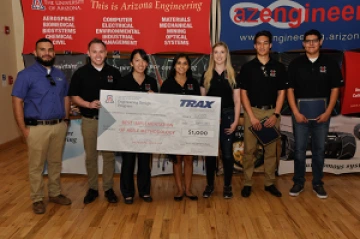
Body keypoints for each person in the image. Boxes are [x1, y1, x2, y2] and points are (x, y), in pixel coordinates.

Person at [12, 38, 72, 214]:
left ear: (54, 53)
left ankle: (54, 193)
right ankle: (37, 198)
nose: (47, 53)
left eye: (50, 49)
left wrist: (66, 120)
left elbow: (66, 97)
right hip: (36, 127)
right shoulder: (26, 75)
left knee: (55, 162)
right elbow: (17, 101)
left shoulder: (60, 74)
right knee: (36, 166)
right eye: (43, 49)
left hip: (58, 125)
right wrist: (23, 129)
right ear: (35, 52)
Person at [287, 29, 344, 199]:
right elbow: (289, 90)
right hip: (299, 117)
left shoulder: (330, 63)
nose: (311, 44)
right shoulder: (295, 64)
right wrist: (295, 112)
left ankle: (318, 183)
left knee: (319, 150)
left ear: (321, 42)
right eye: (308, 41)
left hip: (322, 117)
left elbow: (336, 89)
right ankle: (298, 182)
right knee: (299, 150)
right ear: (303, 44)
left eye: (314, 40)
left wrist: (328, 112)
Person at [68, 38, 121, 204]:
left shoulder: (114, 72)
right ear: (88, 53)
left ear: (106, 53)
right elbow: (74, 96)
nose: (98, 55)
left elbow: (121, 97)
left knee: (109, 157)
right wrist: (88, 104)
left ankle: (108, 188)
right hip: (89, 120)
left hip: (109, 122)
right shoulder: (80, 73)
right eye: (94, 51)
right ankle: (92, 188)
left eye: (101, 51)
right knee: (91, 156)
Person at [238, 30, 287, 198]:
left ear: (270, 45)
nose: (262, 46)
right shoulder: (247, 68)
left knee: (271, 151)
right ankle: (247, 183)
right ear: (254, 46)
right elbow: (243, 93)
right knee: (249, 151)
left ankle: (269, 183)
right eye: (259, 43)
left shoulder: (279, 67)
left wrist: (276, 115)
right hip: (253, 112)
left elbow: (282, 93)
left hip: (272, 112)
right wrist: (250, 116)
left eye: (265, 43)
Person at [116, 49, 158, 204]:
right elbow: (117, 106)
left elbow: (157, 108)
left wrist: (155, 98)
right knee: (128, 162)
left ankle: (145, 191)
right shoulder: (123, 81)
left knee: (144, 161)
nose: (141, 64)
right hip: (128, 128)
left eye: (144, 60)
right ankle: (127, 192)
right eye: (137, 60)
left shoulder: (152, 82)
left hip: (146, 128)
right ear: (131, 63)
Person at [201, 42, 240, 199]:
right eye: (216, 52)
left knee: (228, 154)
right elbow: (203, 101)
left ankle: (227, 186)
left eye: (222, 52)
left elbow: (237, 101)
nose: (219, 55)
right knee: (210, 154)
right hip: (211, 118)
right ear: (212, 55)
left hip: (228, 116)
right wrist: (209, 116)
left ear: (226, 55)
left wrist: (236, 121)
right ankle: (210, 185)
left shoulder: (232, 75)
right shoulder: (206, 75)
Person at [160, 53, 200, 201]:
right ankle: (179, 190)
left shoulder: (193, 83)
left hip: (190, 125)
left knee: (189, 158)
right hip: (174, 127)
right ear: (174, 66)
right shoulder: (167, 84)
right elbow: (162, 106)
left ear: (188, 66)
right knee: (177, 158)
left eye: (184, 63)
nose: (181, 66)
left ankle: (188, 190)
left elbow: (199, 105)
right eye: (179, 63)